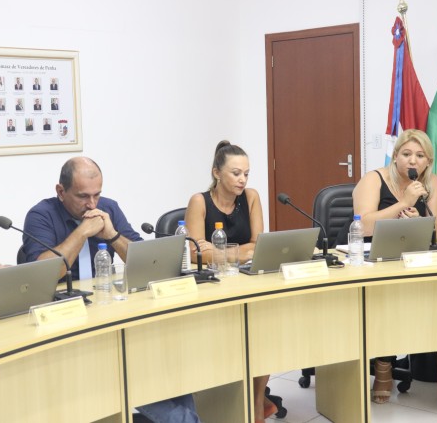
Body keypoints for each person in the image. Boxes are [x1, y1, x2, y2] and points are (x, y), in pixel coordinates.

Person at [23, 157, 200, 422]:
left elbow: (144, 260)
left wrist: (113, 235)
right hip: (65, 320)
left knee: (168, 359)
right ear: (61, 191)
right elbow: (42, 273)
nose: (92, 204)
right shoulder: (40, 215)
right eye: (83, 196)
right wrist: (82, 232)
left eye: (97, 194)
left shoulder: (108, 208)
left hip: (108, 309)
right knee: (131, 369)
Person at [184, 140, 273, 423]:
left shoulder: (251, 197)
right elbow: (195, 253)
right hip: (211, 287)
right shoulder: (200, 202)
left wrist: (221, 252)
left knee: (264, 332)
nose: (242, 179)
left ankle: (257, 400)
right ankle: (234, 400)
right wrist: (239, 251)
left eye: (246, 173)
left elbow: (259, 245)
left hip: (246, 281)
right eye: (236, 173)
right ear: (217, 173)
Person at [351, 128, 437, 404]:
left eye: (420, 156)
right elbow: (363, 225)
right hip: (371, 260)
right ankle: (383, 365)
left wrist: (417, 220)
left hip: (410, 260)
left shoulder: (431, 183)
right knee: (387, 298)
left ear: (428, 161)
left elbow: (435, 231)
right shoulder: (374, 179)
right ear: (395, 156)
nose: (412, 161)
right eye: (406, 154)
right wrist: (403, 203)